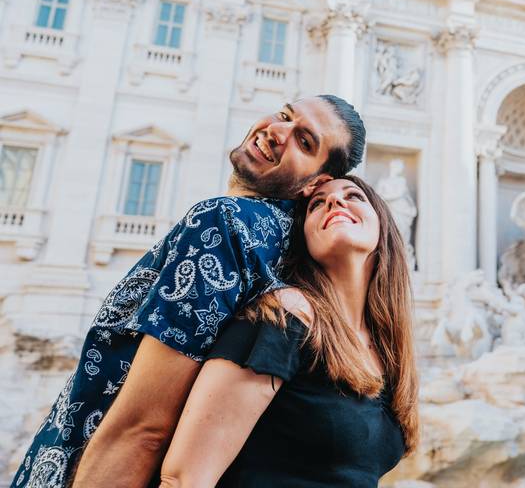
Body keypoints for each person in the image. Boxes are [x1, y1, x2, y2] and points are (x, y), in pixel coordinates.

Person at [12, 95, 366, 488]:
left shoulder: (225, 224)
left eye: (305, 141)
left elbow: (143, 428)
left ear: (316, 183)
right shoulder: (284, 248)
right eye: (285, 115)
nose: (277, 131)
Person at [158, 176, 419, 487]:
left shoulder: (388, 354)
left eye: (354, 196)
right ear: (304, 237)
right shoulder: (283, 316)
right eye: (317, 204)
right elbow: (184, 478)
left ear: (384, 228)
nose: (335, 202)